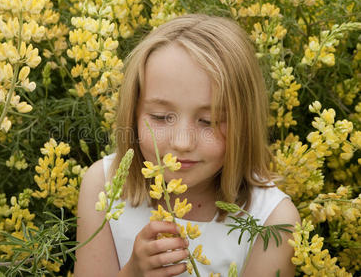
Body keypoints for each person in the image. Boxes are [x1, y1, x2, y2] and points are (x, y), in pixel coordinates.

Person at [74, 14, 300, 277]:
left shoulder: (273, 220)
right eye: (160, 117)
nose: (182, 142)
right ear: (133, 114)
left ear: (244, 123)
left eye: (209, 121)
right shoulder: (104, 186)